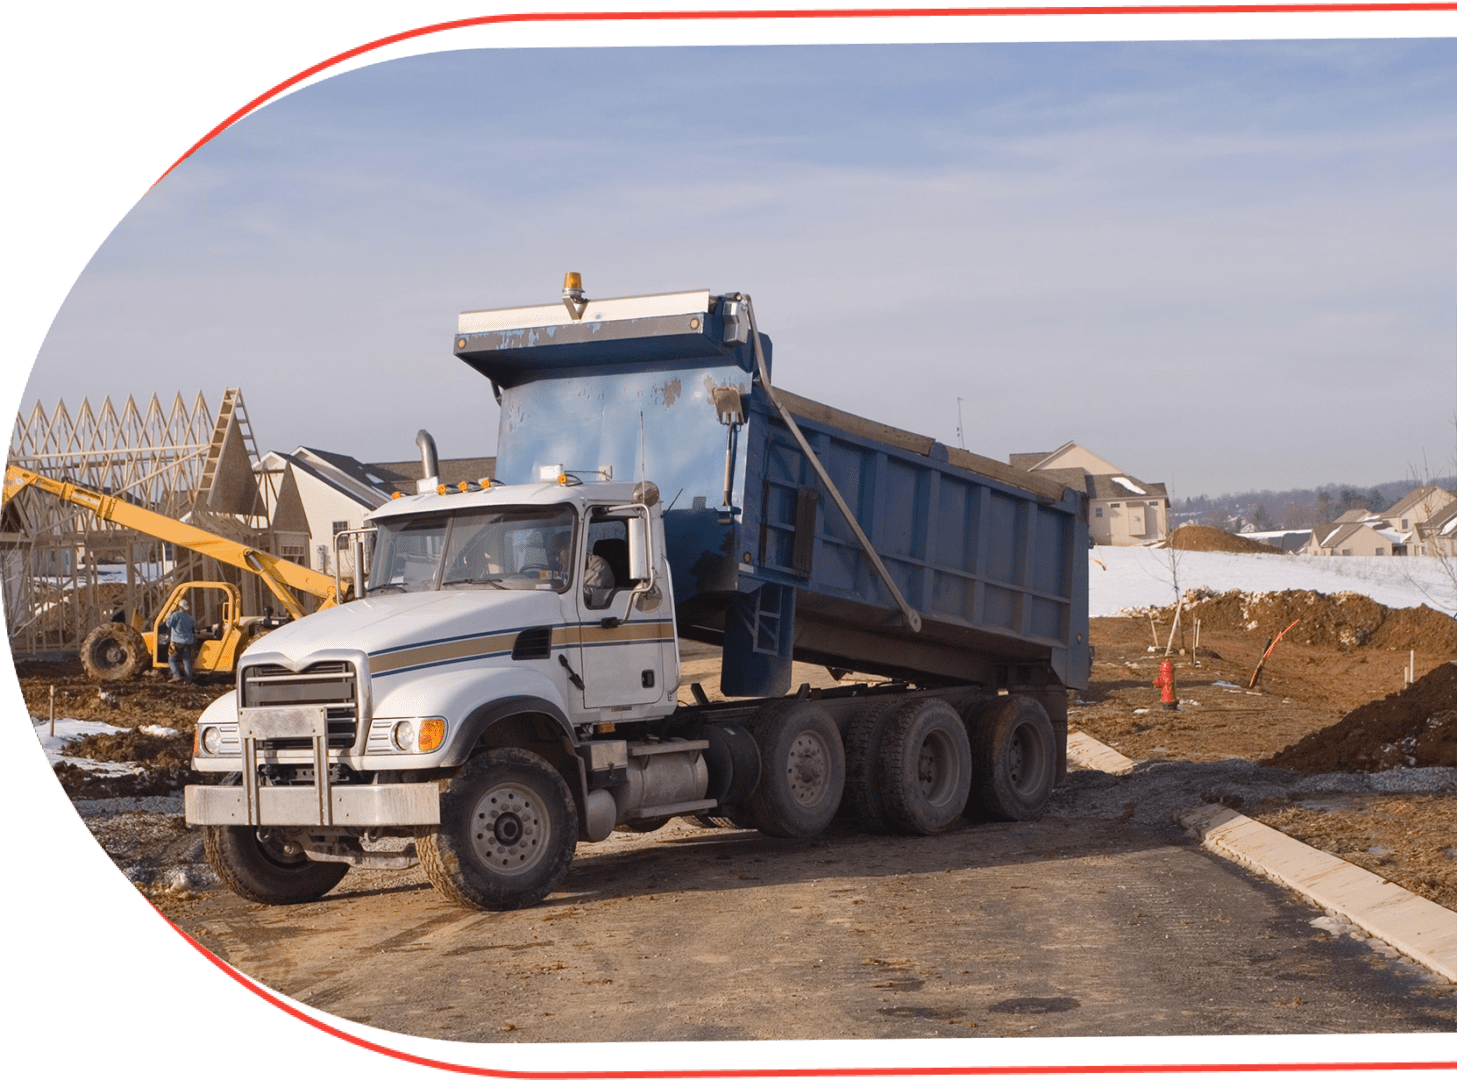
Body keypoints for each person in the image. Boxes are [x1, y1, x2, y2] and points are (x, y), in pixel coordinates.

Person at [164, 599, 198, 684]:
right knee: (186, 660)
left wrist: (169, 615)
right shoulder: (190, 617)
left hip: (177, 641)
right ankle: (188, 680)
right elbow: (196, 626)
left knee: (172, 659)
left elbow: (168, 624)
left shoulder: (176, 615)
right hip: (188, 642)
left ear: (179, 606)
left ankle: (176, 675)